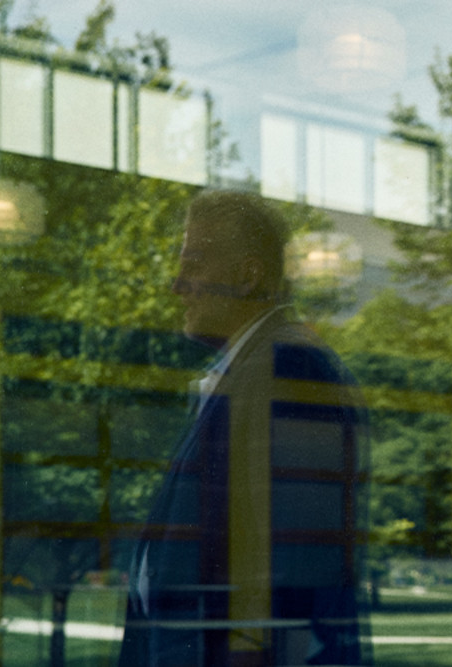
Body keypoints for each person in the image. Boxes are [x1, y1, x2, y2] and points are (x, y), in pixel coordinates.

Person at [120, 190, 371, 666]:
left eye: (193, 263)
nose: (178, 285)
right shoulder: (252, 369)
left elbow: (288, 573)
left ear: (247, 275)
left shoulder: (292, 366)